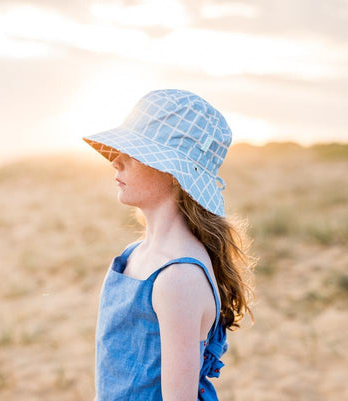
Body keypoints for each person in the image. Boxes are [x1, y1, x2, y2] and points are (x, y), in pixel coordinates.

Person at [82, 89, 256, 401]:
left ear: (175, 173)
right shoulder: (135, 253)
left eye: (134, 152)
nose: (115, 161)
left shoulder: (179, 278)